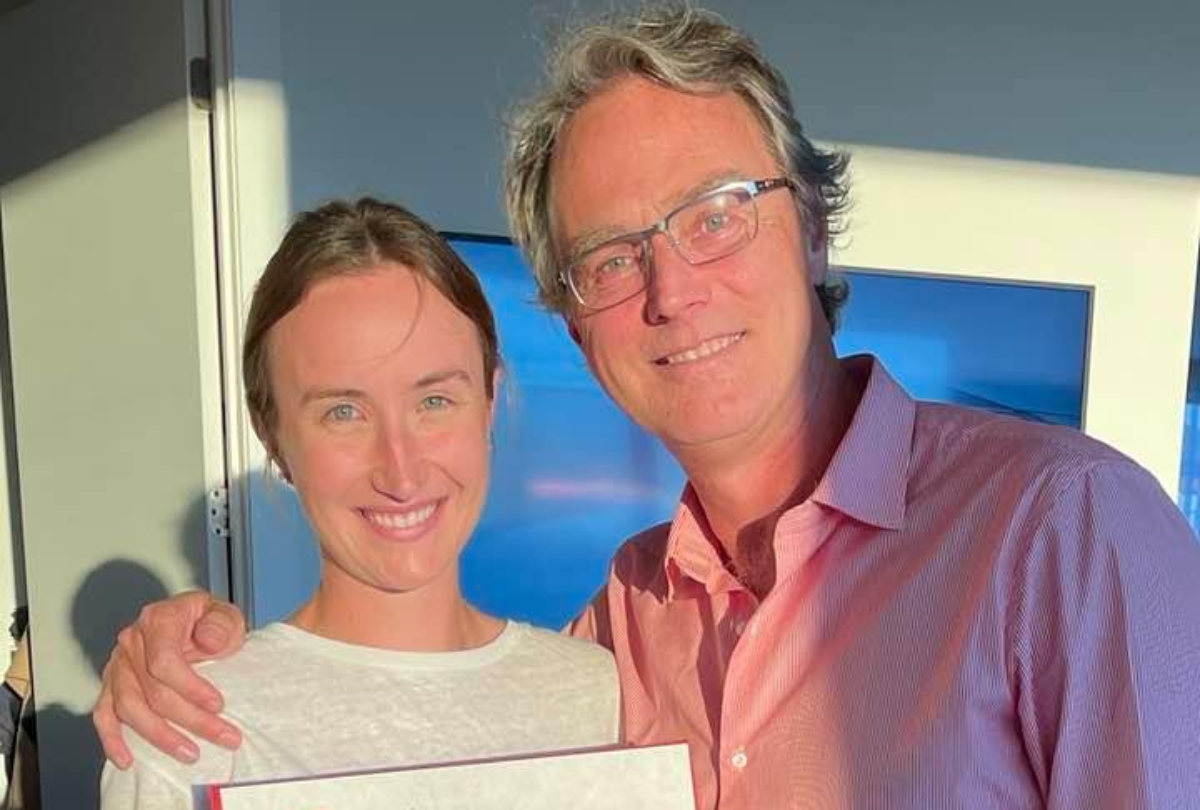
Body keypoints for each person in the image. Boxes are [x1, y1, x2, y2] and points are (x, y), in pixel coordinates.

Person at [95, 6, 1200, 809]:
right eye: (612, 257)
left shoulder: (1066, 529)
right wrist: (178, 642)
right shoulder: (618, 630)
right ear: (578, 327)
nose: (673, 290)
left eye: (716, 214)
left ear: (813, 226)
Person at [98, 198, 619, 808]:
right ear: (272, 436)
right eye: (343, 412)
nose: (400, 470)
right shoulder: (188, 729)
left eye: (434, 402)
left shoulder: (597, 698)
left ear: (488, 401)